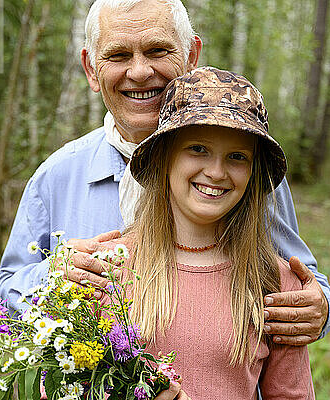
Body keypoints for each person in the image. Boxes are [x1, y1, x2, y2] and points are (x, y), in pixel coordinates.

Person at [0, 0, 330, 349]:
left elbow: (304, 282)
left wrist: (319, 308)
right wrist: (52, 279)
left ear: (191, 55)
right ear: (91, 69)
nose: (140, 72)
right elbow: (5, 296)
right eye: (118, 56)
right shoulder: (58, 176)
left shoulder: (238, 175)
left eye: (158, 50)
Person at [109, 66, 314, 399]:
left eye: (237, 157)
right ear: (165, 156)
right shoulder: (109, 269)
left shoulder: (273, 283)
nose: (216, 172)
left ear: (253, 173)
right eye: (198, 149)